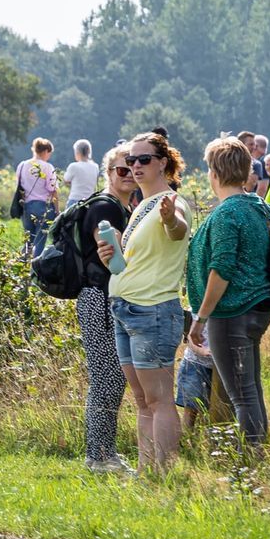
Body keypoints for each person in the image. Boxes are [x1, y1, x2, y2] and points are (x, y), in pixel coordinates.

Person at [94, 132, 189, 472]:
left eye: (143, 159)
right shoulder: (140, 206)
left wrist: (169, 221)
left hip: (152, 310)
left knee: (158, 398)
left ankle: (164, 473)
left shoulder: (171, 203)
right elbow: (134, 263)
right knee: (141, 400)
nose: (135, 166)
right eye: (130, 161)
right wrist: (112, 255)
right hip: (125, 309)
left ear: (163, 162)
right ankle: (146, 472)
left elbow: (177, 230)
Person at [185, 136, 270, 450]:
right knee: (251, 388)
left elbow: (222, 269)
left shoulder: (227, 214)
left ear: (215, 172)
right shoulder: (258, 206)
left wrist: (201, 318)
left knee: (241, 394)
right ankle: (257, 450)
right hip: (259, 307)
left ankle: (251, 457)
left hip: (231, 311)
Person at [73, 146, 134, 473]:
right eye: (121, 170)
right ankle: (98, 457)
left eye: (134, 169)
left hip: (107, 297)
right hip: (98, 298)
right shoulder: (104, 207)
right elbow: (115, 257)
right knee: (105, 378)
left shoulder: (122, 208)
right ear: (108, 173)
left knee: (114, 378)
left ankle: (104, 452)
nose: (129, 175)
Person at [15, 138, 60, 259]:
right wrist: (57, 210)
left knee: (28, 240)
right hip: (43, 207)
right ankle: (35, 268)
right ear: (46, 151)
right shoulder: (47, 167)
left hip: (26, 207)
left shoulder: (22, 165)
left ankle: (22, 265)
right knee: (40, 240)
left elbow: (19, 188)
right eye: (49, 153)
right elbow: (53, 190)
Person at [174, 314, 214, 435]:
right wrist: (202, 351)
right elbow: (190, 338)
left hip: (221, 366)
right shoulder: (198, 308)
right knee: (191, 407)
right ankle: (187, 438)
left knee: (213, 408)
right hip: (195, 363)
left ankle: (208, 439)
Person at [63, 139, 101, 205]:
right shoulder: (95, 167)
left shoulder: (73, 166)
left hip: (75, 200)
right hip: (90, 201)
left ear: (77, 152)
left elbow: (66, 180)